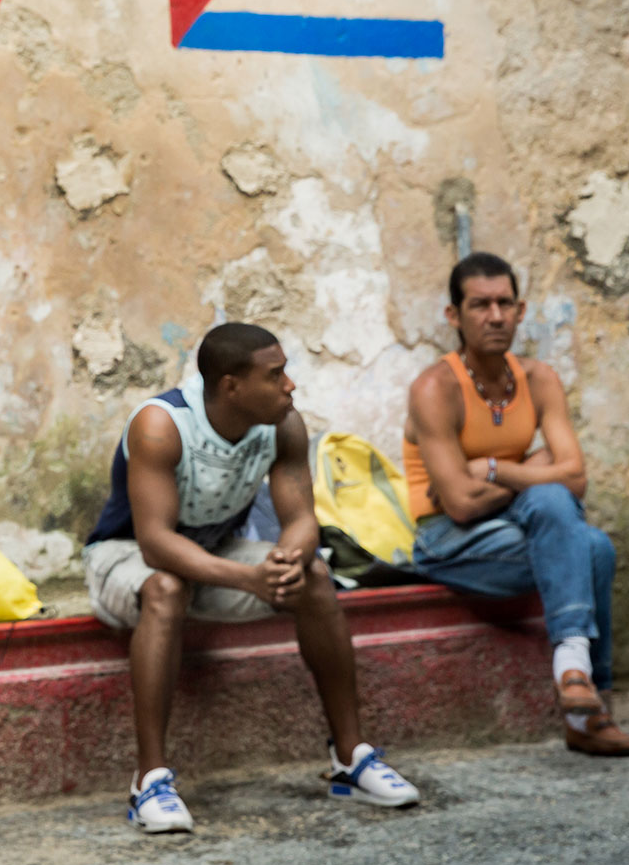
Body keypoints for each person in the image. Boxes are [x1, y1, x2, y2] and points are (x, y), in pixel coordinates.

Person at [82, 323, 421, 833]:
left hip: (215, 555)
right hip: (126, 558)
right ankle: (149, 781)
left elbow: (302, 519)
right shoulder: (162, 425)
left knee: (314, 574)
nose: (290, 386)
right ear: (230, 386)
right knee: (166, 588)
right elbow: (155, 542)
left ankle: (351, 759)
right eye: (276, 375)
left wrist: (287, 559)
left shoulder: (283, 425)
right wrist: (248, 578)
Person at [402, 252, 629, 758]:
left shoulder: (539, 379)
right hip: (449, 540)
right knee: (588, 545)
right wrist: (535, 470)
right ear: (454, 316)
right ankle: (587, 700)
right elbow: (461, 506)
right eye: (480, 305)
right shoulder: (434, 388)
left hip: (517, 521)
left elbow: (576, 478)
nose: (495, 316)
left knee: (568, 515)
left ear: (521, 309)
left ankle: (575, 678)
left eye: (505, 303)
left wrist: (496, 469)